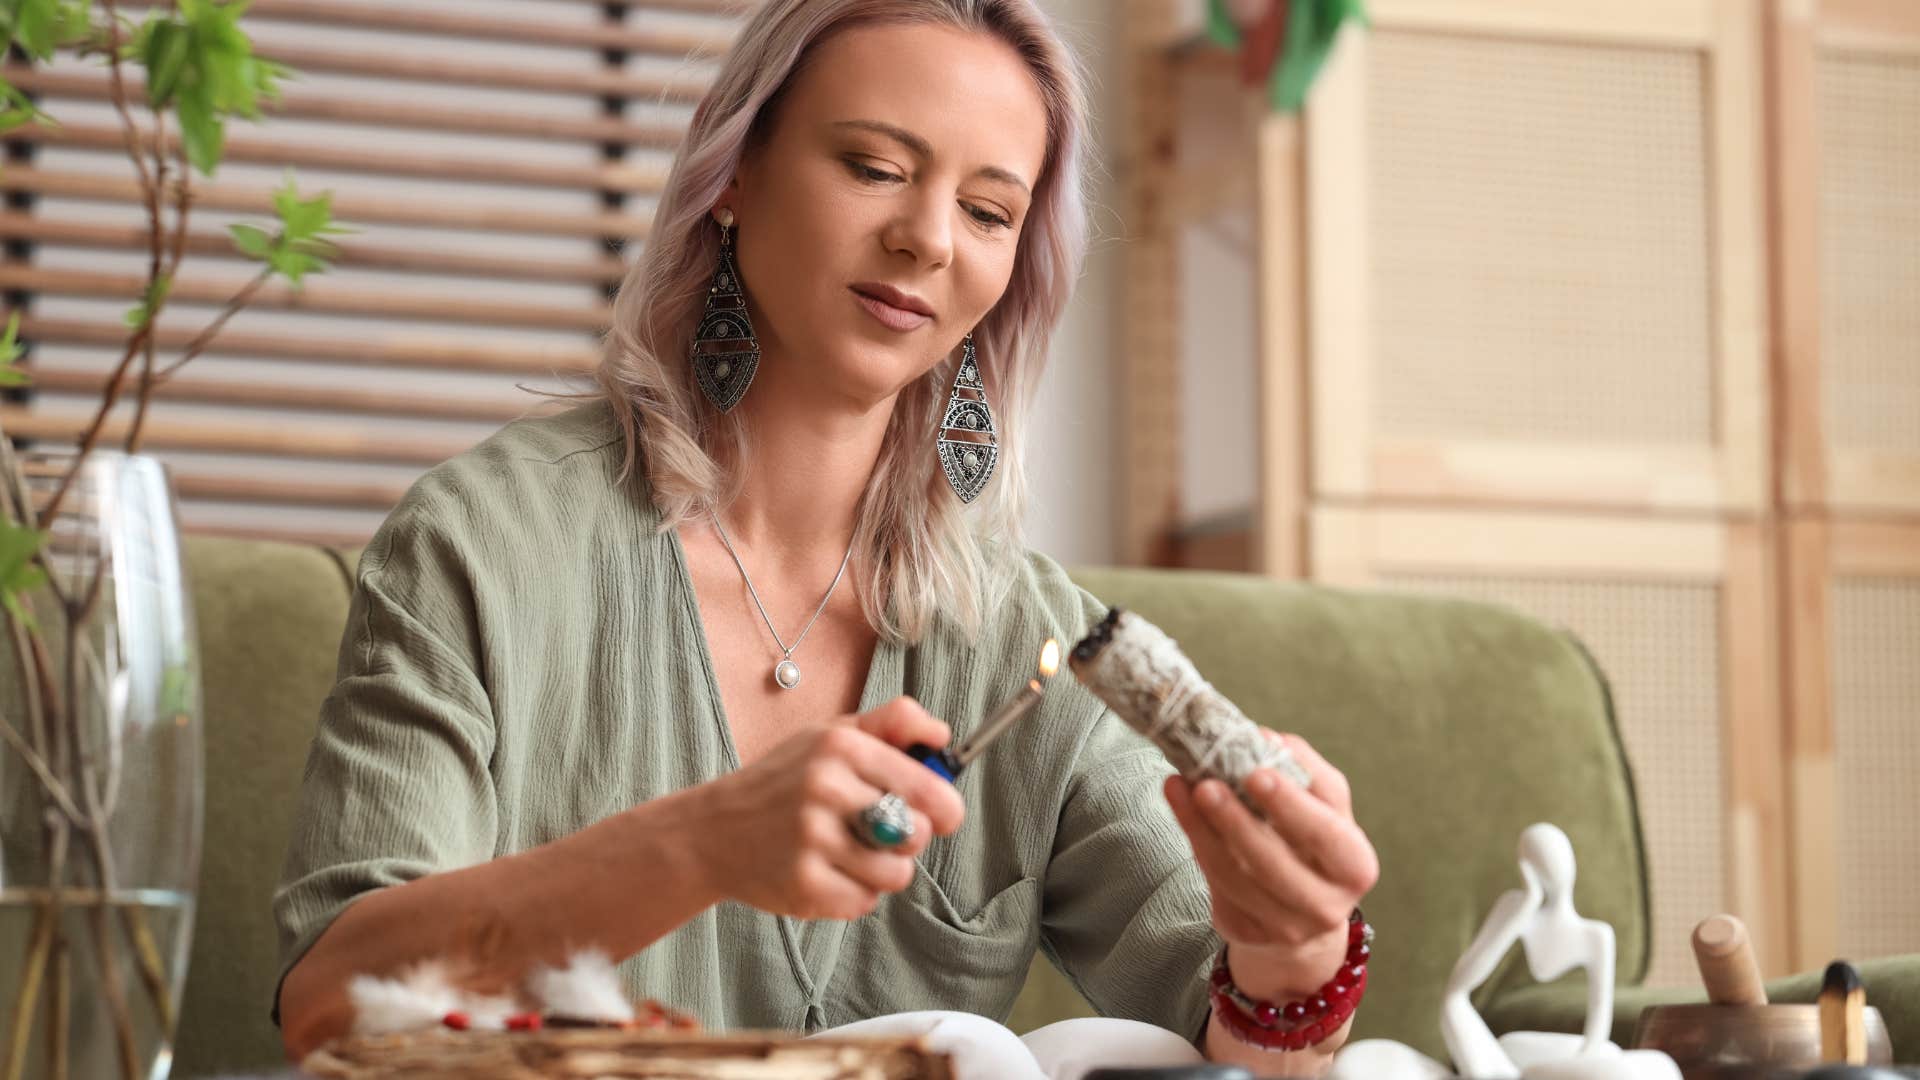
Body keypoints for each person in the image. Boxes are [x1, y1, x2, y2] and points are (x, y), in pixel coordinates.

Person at [271, 2, 1378, 1076]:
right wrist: (703, 843)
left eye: (988, 212)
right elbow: (331, 1006)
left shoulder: (1031, 641)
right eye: (874, 167)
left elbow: (1251, 1041)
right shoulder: (482, 546)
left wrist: (1291, 951)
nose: (927, 238)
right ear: (734, 174)